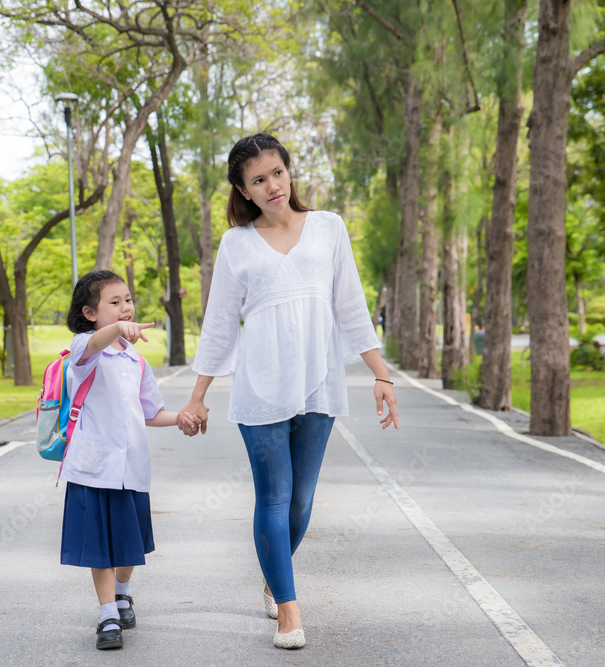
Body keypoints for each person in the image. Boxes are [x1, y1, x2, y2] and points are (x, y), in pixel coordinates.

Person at [178, 133, 399, 650]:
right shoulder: (236, 243)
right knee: (274, 499)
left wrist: (381, 375)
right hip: (262, 386)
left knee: (301, 503)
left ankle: (274, 575)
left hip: (319, 382)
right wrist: (197, 395)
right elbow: (219, 325)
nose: (272, 185)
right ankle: (289, 612)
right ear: (243, 189)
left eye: (277, 172)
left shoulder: (328, 228)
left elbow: (351, 307)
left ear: (288, 172)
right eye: (258, 179)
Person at [60, 270, 195, 651]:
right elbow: (97, 344)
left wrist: (181, 418)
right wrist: (119, 328)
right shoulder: (83, 347)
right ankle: (107, 615)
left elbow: (151, 412)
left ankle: (123, 593)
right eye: (114, 303)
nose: (125, 308)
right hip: (94, 467)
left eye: (128, 300)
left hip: (132, 465)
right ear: (90, 313)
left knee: (128, 539)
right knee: (99, 544)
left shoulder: (136, 360)